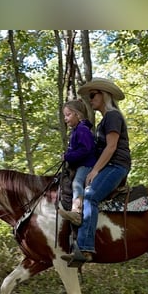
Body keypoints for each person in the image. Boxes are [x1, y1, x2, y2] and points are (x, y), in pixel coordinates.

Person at [62, 78, 131, 267]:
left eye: (93, 95)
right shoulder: (103, 122)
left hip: (116, 165)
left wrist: (95, 170)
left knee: (90, 196)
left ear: (104, 95)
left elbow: (111, 147)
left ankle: (84, 248)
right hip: (109, 165)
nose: (90, 99)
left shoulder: (113, 116)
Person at [60, 98, 96, 226]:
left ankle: (77, 211)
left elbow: (85, 150)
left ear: (78, 114)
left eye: (68, 115)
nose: (66, 118)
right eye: (65, 115)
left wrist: (68, 157)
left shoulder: (82, 130)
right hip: (81, 164)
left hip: (87, 164)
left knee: (77, 182)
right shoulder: (76, 130)